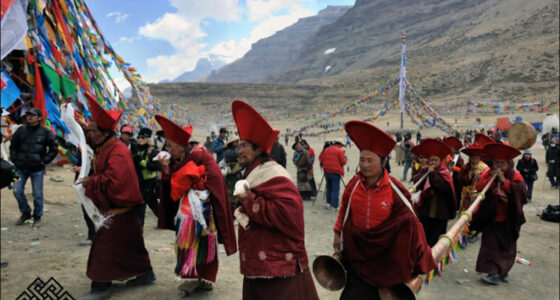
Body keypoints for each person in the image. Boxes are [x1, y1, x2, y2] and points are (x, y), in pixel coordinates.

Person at [333, 121, 436, 299]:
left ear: (383, 161)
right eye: (362, 160)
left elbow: (411, 223)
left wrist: (420, 255)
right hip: (358, 255)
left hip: (386, 258)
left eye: (370, 160)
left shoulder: (396, 190)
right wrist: (337, 233)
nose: (364, 165)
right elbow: (344, 208)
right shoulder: (354, 185)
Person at [230, 100, 318, 300]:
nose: (239, 151)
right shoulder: (252, 172)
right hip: (258, 265)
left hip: (278, 268)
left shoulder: (275, 175)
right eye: (239, 145)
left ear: (259, 149)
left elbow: (290, 217)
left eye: (244, 146)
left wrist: (249, 199)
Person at [78, 97, 155, 300]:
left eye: (93, 131)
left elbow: (117, 181)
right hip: (124, 207)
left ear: (105, 133)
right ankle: (146, 273)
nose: (90, 134)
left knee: (104, 245)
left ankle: (100, 287)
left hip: (123, 206)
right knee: (130, 245)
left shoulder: (118, 151)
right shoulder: (105, 146)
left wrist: (92, 181)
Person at [155, 115, 237, 294]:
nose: (168, 149)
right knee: (190, 241)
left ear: (181, 145)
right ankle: (195, 278)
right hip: (191, 208)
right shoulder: (187, 155)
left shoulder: (197, 156)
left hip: (202, 211)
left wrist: (168, 170)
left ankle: (198, 278)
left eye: (170, 145)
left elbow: (181, 180)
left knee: (197, 241)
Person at [470, 143, 527, 285]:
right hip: (492, 217)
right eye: (496, 163)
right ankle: (493, 273)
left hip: (509, 218)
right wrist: (491, 178)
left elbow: (521, 194)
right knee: (490, 246)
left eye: (502, 163)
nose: (498, 166)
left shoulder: (515, 176)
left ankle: (504, 271)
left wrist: (504, 182)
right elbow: (479, 187)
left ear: (508, 163)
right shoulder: (489, 173)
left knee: (507, 247)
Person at [10, 108, 58, 228]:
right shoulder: (20, 130)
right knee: (16, 190)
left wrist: (44, 161)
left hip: (37, 169)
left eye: (32, 115)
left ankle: (37, 217)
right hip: (20, 168)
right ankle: (25, 212)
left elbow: (54, 148)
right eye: (28, 115)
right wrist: (14, 159)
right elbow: (13, 146)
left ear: (39, 118)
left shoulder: (46, 132)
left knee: (37, 194)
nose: (29, 117)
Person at [411, 138, 456, 246]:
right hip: (426, 212)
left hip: (440, 214)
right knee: (425, 239)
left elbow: (443, 188)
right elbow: (417, 183)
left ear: (441, 161)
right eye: (431, 160)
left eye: (435, 160)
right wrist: (423, 172)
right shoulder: (425, 170)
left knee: (437, 241)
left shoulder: (444, 172)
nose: (433, 163)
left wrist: (432, 174)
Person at [132, 128, 161, 225]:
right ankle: (164, 220)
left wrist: (142, 162)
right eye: (139, 137)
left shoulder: (152, 151)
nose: (140, 139)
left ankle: (139, 227)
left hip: (149, 181)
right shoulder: (136, 148)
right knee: (152, 202)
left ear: (148, 138)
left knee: (142, 202)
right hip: (138, 181)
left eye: (143, 137)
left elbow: (157, 166)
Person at [319, 141, 347, 210]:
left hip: (327, 171)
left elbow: (321, 160)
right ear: (339, 144)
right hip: (335, 171)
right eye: (341, 145)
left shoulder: (326, 149)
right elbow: (343, 162)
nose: (341, 147)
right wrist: (345, 159)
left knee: (329, 187)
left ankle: (328, 203)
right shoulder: (339, 151)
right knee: (335, 189)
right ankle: (334, 206)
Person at [443, 136, 465, 204]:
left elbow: (462, 170)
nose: (451, 150)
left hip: (455, 182)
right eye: (450, 148)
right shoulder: (444, 158)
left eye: (453, 149)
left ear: (455, 150)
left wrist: (453, 168)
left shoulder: (459, 159)